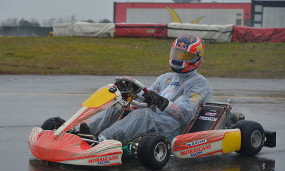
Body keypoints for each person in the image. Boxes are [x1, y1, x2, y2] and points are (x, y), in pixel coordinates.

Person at [81, 35, 212, 146]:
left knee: (143, 115)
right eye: (176, 54)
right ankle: (87, 132)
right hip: (154, 120)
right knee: (119, 104)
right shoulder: (166, 78)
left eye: (184, 55)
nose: (179, 59)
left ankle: (103, 141)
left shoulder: (199, 83)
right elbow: (147, 94)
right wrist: (130, 91)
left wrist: (162, 102)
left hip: (172, 126)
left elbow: (187, 113)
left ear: (195, 58)